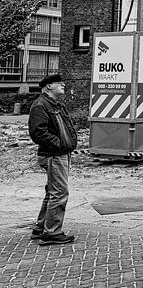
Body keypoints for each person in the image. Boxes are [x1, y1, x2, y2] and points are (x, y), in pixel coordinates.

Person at [28, 74, 78, 246]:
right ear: (48, 86)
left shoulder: (54, 104)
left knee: (52, 192)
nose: (63, 84)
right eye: (59, 83)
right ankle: (52, 233)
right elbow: (38, 132)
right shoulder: (41, 105)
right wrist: (59, 145)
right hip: (54, 155)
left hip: (58, 153)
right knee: (59, 193)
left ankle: (40, 228)